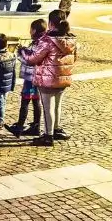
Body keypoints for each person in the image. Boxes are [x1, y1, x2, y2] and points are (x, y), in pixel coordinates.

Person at [22, 9, 78, 147]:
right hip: (63, 78)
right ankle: (56, 129)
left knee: (48, 107)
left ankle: (48, 135)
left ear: (51, 23)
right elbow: (74, 58)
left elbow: (33, 59)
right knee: (57, 105)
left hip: (47, 80)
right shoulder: (71, 39)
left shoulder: (47, 41)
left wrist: (22, 52)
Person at [7, 19, 46, 138]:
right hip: (36, 77)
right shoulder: (42, 42)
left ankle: (19, 127)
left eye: (31, 29)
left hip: (31, 78)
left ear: (34, 30)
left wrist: (20, 53)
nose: (29, 31)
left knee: (25, 101)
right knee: (35, 101)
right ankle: (36, 126)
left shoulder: (36, 44)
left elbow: (29, 60)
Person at [0, 32, 17, 131]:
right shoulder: (12, 55)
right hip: (7, 84)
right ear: (6, 44)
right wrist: (13, 84)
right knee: (3, 102)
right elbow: (14, 71)